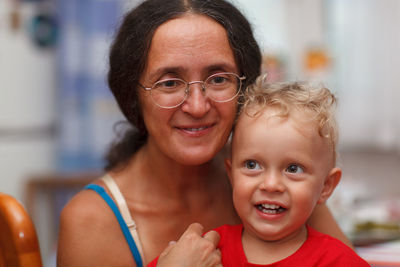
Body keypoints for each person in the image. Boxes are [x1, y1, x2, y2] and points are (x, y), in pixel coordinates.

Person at [57, 1, 353, 266]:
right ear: (133, 95)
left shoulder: (273, 182)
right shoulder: (92, 222)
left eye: (219, 78)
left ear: (244, 89)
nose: (197, 106)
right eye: (169, 82)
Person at [150, 78, 369, 266]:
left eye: (293, 169)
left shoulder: (338, 261)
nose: (271, 184)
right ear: (231, 174)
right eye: (252, 165)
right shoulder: (204, 252)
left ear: (326, 186)